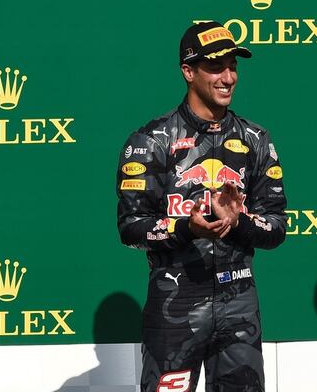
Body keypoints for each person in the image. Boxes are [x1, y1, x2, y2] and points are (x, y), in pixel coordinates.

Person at [116, 21, 288, 392]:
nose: (228, 77)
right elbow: (130, 227)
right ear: (188, 72)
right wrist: (185, 228)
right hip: (174, 306)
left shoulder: (256, 140)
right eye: (215, 66)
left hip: (240, 303)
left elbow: (277, 226)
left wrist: (240, 222)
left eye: (233, 65)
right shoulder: (151, 141)